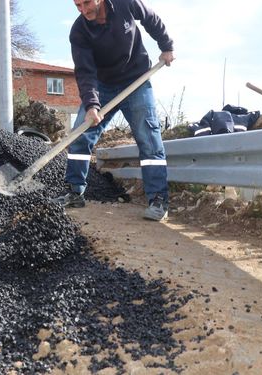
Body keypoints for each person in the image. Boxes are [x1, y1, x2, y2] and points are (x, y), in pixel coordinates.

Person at [54, 0, 175, 221]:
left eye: (87, 2)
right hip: (103, 86)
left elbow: (151, 18)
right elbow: (84, 71)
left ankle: (158, 199)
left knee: (148, 138)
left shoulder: (125, 3)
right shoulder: (79, 30)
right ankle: (74, 192)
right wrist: (91, 105)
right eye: (78, 5)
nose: (83, 10)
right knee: (80, 135)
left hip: (136, 80)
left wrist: (166, 46)